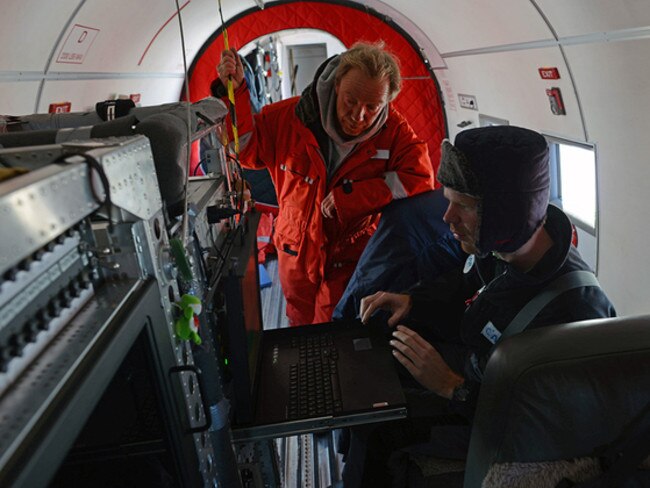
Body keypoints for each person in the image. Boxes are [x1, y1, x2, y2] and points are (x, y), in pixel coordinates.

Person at [341, 125, 616, 487]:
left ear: (506, 212)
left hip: (497, 418)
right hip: (477, 367)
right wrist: (412, 301)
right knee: (372, 355)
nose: (447, 217)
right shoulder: (501, 250)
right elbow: (462, 285)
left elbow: (561, 424)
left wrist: (453, 386)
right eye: (448, 200)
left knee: (378, 426)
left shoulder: (576, 310)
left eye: (464, 206)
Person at [213, 42, 435, 326]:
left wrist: (353, 198)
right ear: (337, 84)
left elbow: (420, 179)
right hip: (297, 255)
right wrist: (238, 92)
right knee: (301, 331)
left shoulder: (396, 132)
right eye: (350, 101)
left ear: (387, 101)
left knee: (336, 334)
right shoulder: (289, 118)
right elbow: (244, 150)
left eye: (372, 107)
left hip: (350, 259)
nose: (359, 116)